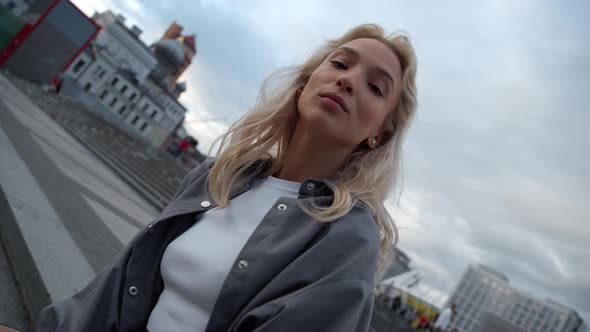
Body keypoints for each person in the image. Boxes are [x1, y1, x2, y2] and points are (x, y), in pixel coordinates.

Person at [35, 23, 418, 332]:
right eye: (339, 64)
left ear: (379, 133)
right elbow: (115, 291)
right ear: (305, 82)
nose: (348, 80)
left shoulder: (348, 238)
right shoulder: (220, 176)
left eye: (375, 87)